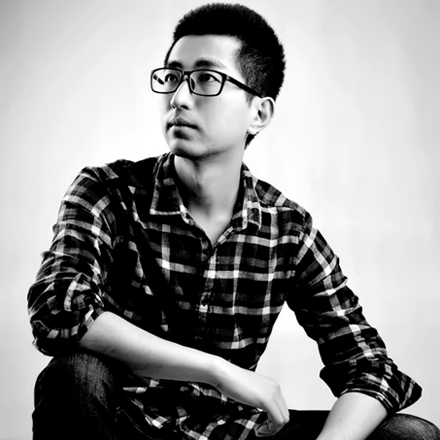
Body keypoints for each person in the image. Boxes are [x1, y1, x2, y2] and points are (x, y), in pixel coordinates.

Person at [27, 3, 439, 440]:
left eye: (206, 78)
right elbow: (59, 309)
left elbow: (370, 367)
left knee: (410, 435)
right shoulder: (108, 191)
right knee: (74, 373)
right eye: (172, 77)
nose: (178, 98)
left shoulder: (287, 229)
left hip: (233, 431)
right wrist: (218, 370)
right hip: (126, 423)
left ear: (258, 113)